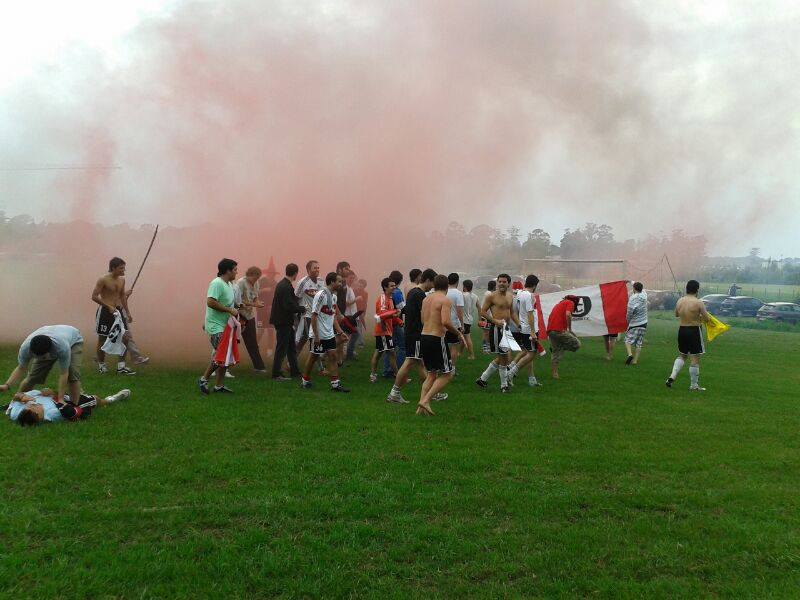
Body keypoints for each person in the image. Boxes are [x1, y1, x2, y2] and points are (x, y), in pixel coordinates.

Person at [417, 274, 465, 415]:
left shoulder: (426, 299)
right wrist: (458, 333)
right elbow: (445, 321)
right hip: (436, 338)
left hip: (424, 336)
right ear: (447, 286)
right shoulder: (445, 300)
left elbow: (422, 319)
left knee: (431, 374)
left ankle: (420, 409)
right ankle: (426, 400)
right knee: (447, 374)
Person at [387, 268, 437, 404]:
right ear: (427, 280)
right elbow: (423, 317)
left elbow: (406, 310)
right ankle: (394, 393)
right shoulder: (419, 295)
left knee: (420, 363)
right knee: (409, 361)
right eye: (433, 283)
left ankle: (432, 392)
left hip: (411, 332)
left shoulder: (413, 292)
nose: (433, 286)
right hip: (416, 334)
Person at [91, 257, 148, 375]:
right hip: (105, 312)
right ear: (113, 268)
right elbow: (94, 296)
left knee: (125, 337)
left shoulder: (122, 280)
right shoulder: (103, 280)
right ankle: (102, 365)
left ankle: (121, 367)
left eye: (124, 268)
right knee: (102, 338)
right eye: (121, 268)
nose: (123, 270)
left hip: (118, 312)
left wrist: (127, 312)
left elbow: (122, 297)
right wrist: (108, 306)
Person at [0, 325, 85, 402]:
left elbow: (64, 373)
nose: (39, 359)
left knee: (72, 375)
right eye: (36, 356)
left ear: (50, 351)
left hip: (74, 340)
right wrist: (6, 385)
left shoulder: (62, 347)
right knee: (33, 377)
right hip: (51, 335)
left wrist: (60, 399)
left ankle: (74, 407)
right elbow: (21, 368)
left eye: (43, 357)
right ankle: (17, 401)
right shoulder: (26, 348)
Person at [301, 272, 350, 392]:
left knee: (333, 356)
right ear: (332, 282)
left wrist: (339, 332)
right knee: (313, 357)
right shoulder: (321, 295)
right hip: (318, 335)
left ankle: (335, 385)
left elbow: (332, 316)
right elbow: (313, 316)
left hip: (329, 334)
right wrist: (316, 337)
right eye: (338, 281)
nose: (340, 283)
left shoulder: (333, 296)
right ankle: (304, 381)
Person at [198, 259, 239, 394]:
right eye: (234, 270)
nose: (236, 272)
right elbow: (210, 302)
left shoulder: (228, 284)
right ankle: (203, 379)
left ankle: (219, 386)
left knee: (224, 356)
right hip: (216, 326)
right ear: (227, 270)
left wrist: (238, 308)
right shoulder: (216, 283)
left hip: (225, 325)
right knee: (221, 355)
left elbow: (228, 304)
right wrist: (229, 310)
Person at [476, 274, 519, 392]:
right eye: (499, 281)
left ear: (508, 284)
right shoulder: (492, 296)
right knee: (504, 357)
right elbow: (483, 311)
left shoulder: (510, 296)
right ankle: (504, 386)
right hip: (496, 329)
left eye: (504, 282)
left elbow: (512, 312)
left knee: (503, 357)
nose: (501, 283)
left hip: (506, 329)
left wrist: (519, 324)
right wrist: (495, 321)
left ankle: (483, 379)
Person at [666, 280, 710, 391]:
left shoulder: (680, 300)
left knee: (682, 355)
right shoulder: (698, 302)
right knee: (695, 358)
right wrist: (699, 317)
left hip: (682, 330)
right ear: (697, 290)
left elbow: (676, 314)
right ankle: (694, 385)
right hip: (694, 330)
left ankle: (672, 376)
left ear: (686, 288)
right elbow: (707, 319)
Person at [7, 387, 130, 426]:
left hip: (52, 396)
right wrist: (52, 394)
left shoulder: (16, 414)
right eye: (38, 411)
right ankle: (111, 399)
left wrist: (21, 397)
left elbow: (16, 396)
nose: (36, 406)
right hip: (62, 402)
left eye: (30, 407)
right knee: (95, 400)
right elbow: (71, 410)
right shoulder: (52, 414)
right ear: (40, 417)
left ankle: (78, 390)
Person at [270, 263, 305, 381]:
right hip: (283, 321)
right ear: (295, 273)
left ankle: (295, 372)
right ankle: (276, 374)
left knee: (291, 348)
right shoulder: (286, 286)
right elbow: (288, 305)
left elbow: (289, 302)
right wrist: (301, 308)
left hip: (285, 321)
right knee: (281, 348)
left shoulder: (283, 284)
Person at [508, 275, 542, 387]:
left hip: (524, 327)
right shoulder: (528, 295)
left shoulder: (521, 293)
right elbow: (530, 313)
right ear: (535, 285)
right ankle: (511, 373)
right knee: (531, 354)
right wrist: (532, 331)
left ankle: (531, 379)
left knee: (529, 353)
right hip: (528, 329)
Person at [236, 267, 267, 373]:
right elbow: (237, 301)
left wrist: (257, 302)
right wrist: (254, 304)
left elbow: (255, 297)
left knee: (252, 341)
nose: (256, 280)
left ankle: (258, 366)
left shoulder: (256, 283)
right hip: (239, 315)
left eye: (258, 278)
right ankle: (222, 366)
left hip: (250, 315)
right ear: (250, 274)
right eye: (255, 278)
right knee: (232, 341)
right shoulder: (241, 283)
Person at [370, 277, 400, 383]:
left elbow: (389, 314)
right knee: (391, 352)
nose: (394, 287)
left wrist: (398, 320)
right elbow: (381, 315)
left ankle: (373, 375)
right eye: (391, 286)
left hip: (387, 330)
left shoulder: (390, 299)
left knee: (379, 353)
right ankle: (398, 376)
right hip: (383, 331)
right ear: (385, 287)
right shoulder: (383, 298)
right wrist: (394, 313)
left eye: (394, 285)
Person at [547, 295, 581, 379]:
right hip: (559, 330)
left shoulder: (558, 304)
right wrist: (570, 329)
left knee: (556, 353)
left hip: (550, 331)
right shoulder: (570, 302)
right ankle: (561, 347)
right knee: (577, 344)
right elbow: (568, 314)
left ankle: (555, 374)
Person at [295, 260, 323, 354]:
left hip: (318, 315)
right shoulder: (302, 282)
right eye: (315, 268)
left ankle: (320, 363)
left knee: (317, 337)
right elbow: (295, 298)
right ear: (308, 269)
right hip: (306, 315)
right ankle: (291, 360)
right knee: (304, 338)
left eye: (318, 268)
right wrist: (296, 314)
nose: (317, 270)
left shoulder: (321, 281)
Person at [383, 270, 407, 375]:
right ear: (400, 281)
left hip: (388, 323)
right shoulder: (397, 292)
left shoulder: (385, 293)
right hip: (396, 323)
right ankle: (396, 370)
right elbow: (402, 308)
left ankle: (387, 370)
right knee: (403, 347)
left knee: (390, 348)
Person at [625, 281, 649, 365]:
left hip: (634, 323)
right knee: (639, 343)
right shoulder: (644, 294)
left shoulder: (632, 298)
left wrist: (627, 321)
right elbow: (636, 284)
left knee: (627, 340)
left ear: (634, 289)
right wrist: (630, 281)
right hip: (644, 323)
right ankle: (635, 361)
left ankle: (630, 354)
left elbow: (630, 312)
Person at [446, 273, 465, 368]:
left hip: (443, 323)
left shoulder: (444, 292)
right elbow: (459, 311)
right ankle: (452, 368)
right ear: (457, 281)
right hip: (454, 324)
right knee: (454, 346)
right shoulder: (458, 293)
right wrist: (462, 324)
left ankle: (444, 367)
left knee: (444, 346)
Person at [334, 261, 352, 365]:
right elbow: (333, 299)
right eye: (346, 269)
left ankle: (339, 361)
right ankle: (327, 357)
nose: (348, 271)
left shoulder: (344, 282)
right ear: (340, 269)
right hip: (335, 314)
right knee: (336, 338)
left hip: (341, 314)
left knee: (341, 338)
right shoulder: (336, 279)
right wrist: (339, 313)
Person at [345, 271, 362, 360]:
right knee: (353, 334)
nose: (352, 280)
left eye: (353, 278)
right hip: (347, 316)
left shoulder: (350, 288)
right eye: (350, 278)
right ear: (346, 278)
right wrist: (356, 299)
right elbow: (345, 303)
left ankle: (348, 353)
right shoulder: (346, 289)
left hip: (352, 316)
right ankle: (348, 354)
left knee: (350, 336)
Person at [462, 279, 480, 360]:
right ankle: (460, 352)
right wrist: (479, 319)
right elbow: (479, 308)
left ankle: (472, 355)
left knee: (467, 337)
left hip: (463, 320)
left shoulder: (462, 295)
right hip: (469, 319)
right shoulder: (475, 296)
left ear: (464, 286)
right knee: (463, 336)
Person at [481, 280, 496, 353]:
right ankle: (485, 348)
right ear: (494, 286)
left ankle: (488, 347)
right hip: (486, 316)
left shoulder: (488, 293)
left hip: (486, 316)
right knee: (486, 332)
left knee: (488, 332)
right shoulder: (489, 294)